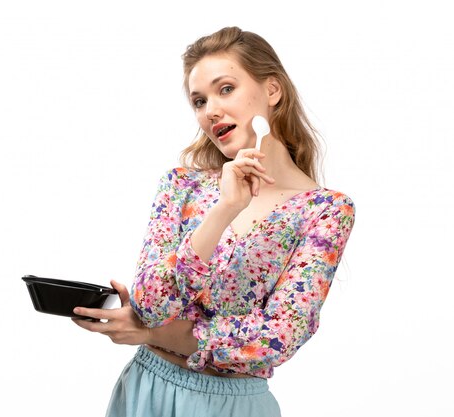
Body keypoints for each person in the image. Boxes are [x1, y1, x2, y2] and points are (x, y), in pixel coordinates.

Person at [72, 26, 356, 417]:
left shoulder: (325, 210)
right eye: (199, 101)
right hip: (147, 391)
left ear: (273, 91)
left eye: (226, 89)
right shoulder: (182, 186)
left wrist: (156, 334)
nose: (211, 111)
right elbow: (151, 303)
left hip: (236, 406)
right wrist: (222, 211)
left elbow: (277, 339)